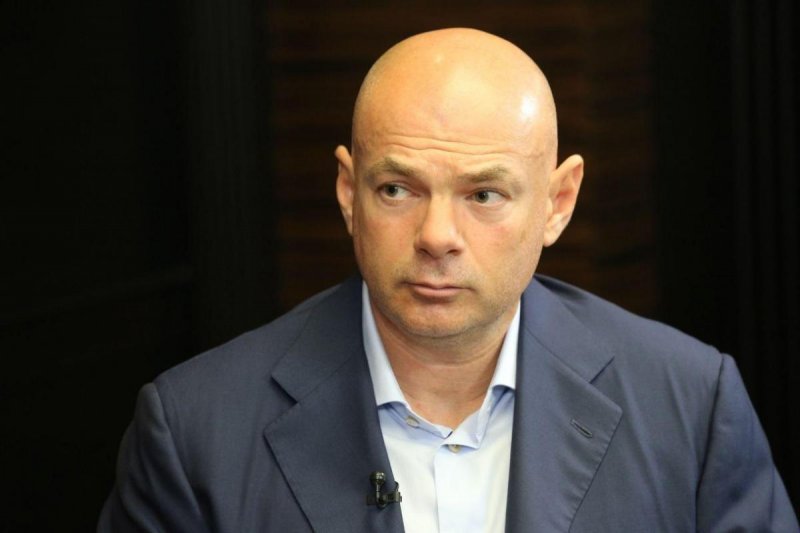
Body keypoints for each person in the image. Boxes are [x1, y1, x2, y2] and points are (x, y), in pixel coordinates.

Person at [99, 28, 798, 532]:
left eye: (484, 194)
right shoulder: (193, 432)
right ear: (347, 192)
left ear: (558, 203)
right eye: (397, 189)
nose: (437, 235)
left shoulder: (690, 404)